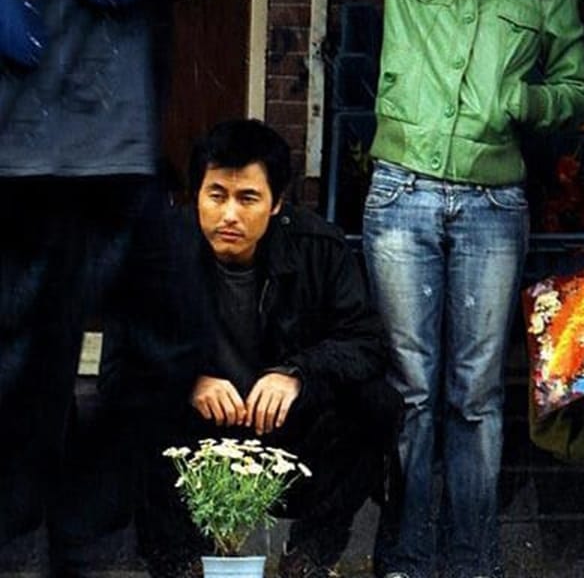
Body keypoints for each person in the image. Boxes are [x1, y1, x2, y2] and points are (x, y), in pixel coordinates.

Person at [304, 0, 584, 578]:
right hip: (401, 197)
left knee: (475, 394)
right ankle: (404, 555)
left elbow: (574, 91)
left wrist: (523, 101)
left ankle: (473, 560)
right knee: (411, 390)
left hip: (493, 204)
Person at [0, 0, 223, 568]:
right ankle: (29, 539)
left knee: (177, 341)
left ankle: (77, 522)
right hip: (36, 163)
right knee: (29, 379)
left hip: (119, 161)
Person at [134, 119, 399, 578]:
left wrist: (296, 374)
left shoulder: (318, 246)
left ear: (276, 203)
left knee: (377, 403)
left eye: (247, 198)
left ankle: (309, 558)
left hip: (289, 435)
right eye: (216, 195)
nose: (229, 215)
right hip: (197, 435)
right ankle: (179, 562)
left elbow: (367, 343)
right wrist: (188, 379)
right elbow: (124, 356)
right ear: (196, 195)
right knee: (135, 405)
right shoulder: (161, 252)